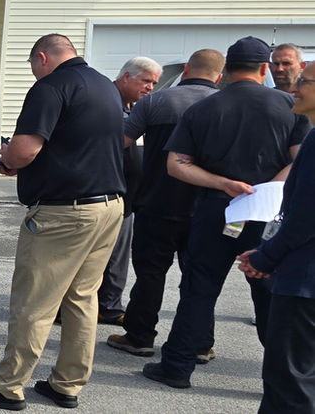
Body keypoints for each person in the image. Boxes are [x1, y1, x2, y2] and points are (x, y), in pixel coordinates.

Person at [0, 34, 125, 410]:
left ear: (43, 58)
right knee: (82, 299)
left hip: (64, 213)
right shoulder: (105, 86)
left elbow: (25, 149)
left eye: (33, 66)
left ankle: (7, 386)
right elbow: (77, 145)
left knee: (35, 302)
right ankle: (67, 384)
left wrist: (7, 155)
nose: (33, 73)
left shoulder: (50, 88)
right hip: (109, 206)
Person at [141, 36, 309, 390]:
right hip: (267, 214)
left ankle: (177, 366)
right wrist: (268, 188)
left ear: (225, 71)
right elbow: (299, 160)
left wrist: (223, 183)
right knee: (268, 291)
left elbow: (177, 165)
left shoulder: (202, 109)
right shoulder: (288, 106)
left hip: (219, 210)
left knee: (199, 286)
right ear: (265, 69)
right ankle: (280, 377)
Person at [107, 49, 224, 360]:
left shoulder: (155, 101)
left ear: (186, 70)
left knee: (150, 274)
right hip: (206, 207)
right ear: (219, 76)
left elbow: (120, 143)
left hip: (157, 203)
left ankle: (139, 337)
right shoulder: (225, 105)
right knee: (198, 277)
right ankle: (200, 344)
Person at [239, 62, 315, 413]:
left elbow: (304, 218)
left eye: (303, 81)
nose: (294, 87)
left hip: (304, 284)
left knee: (289, 385)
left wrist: (266, 258)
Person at [88, 56, 160, 325]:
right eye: (146, 81)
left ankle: (108, 306)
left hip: (126, 198)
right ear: (126, 76)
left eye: (154, 83)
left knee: (118, 256)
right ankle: (82, 306)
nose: (150, 87)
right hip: (103, 194)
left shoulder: (131, 108)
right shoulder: (106, 103)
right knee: (95, 256)